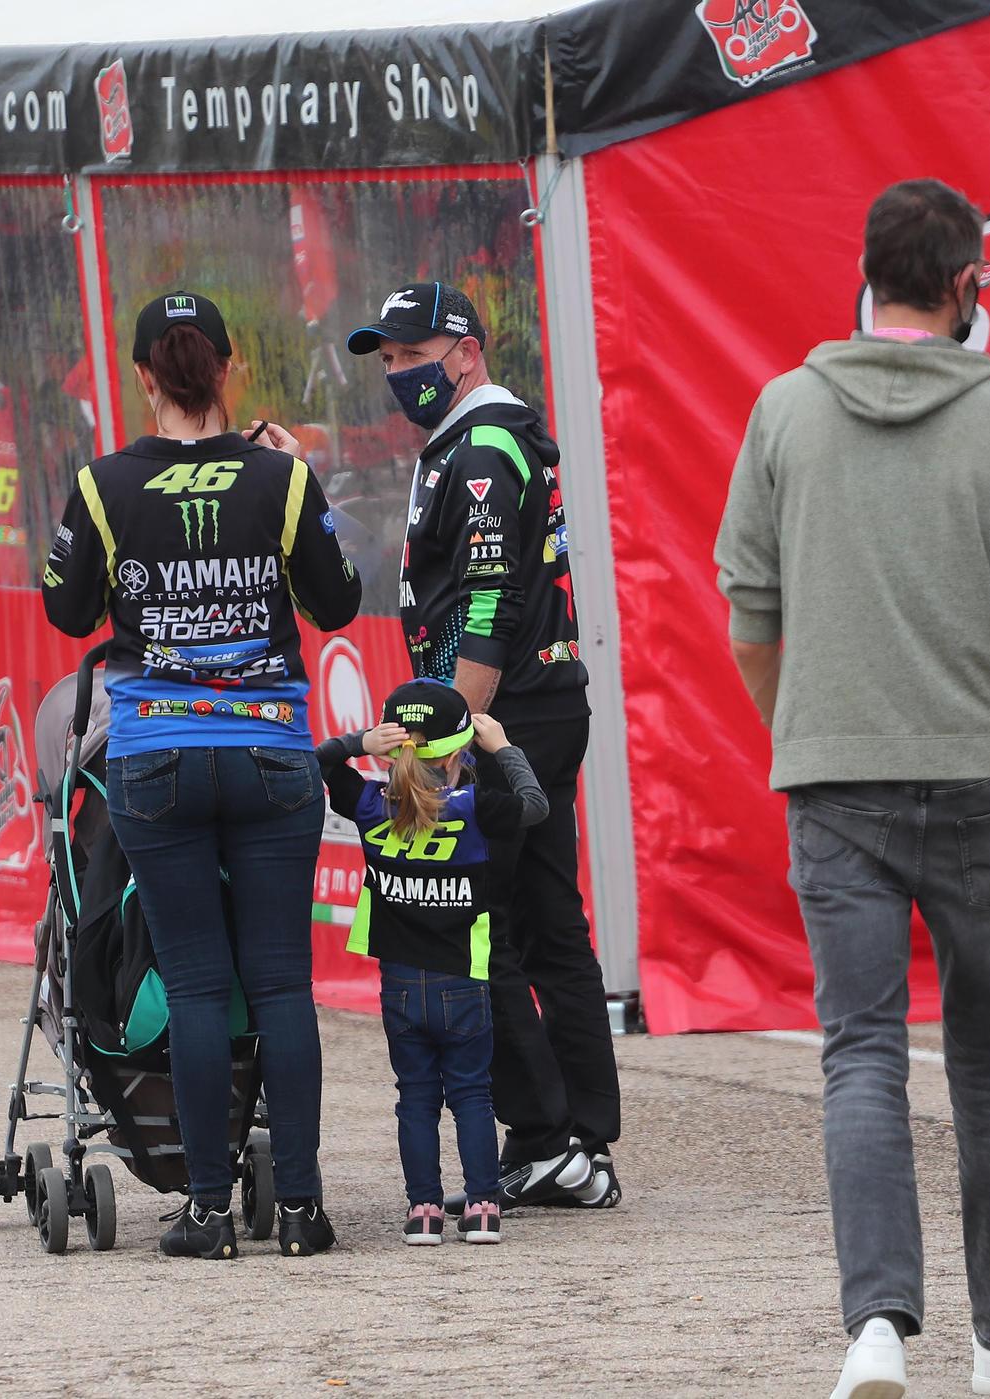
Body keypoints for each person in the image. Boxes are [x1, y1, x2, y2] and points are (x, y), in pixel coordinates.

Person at [714, 178, 990, 1399]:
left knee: (858, 1053)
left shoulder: (781, 412)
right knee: (989, 1059)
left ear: (866, 276)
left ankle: (874, 1328)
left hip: (833, 776)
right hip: (977, 772)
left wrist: (804, 728)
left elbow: (747, 612)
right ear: (968, 283)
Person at [257, 282, 618, 1210]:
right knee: (544, 920)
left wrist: (448, 743)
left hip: (510, 713)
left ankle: (549, 1138)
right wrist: (311, 488)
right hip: (529, 705)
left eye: (414, 357)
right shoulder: (456, 446)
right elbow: (399, 569)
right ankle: (579, 1140)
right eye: (387, 361)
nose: (398, 374)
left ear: (467, 350)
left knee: (469, 919)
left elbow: (489, 605)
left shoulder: (488, 443)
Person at [44, 291, 362, 1259]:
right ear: (228, 368)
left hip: (158, 760)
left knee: (191, 985)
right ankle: (302, 1212)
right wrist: (287, 481)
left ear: (144, 376)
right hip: (269, 754)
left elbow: (66, 612)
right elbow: (338, 600)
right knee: (279, 986)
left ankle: (210, 1213)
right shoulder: (279, 476)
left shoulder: (104, 485)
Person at [316, 680, 550, 1247]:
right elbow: (536, 806)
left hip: (398, 981)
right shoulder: (477, 807)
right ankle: (483, 1208)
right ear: (456, 753)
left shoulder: (371, 802)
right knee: (472, 1094)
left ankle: (423, 1210)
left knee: (415, 1097)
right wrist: (504, 749)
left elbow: (316, 761)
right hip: (463, 979)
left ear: (394, 747)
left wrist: (359, 742)